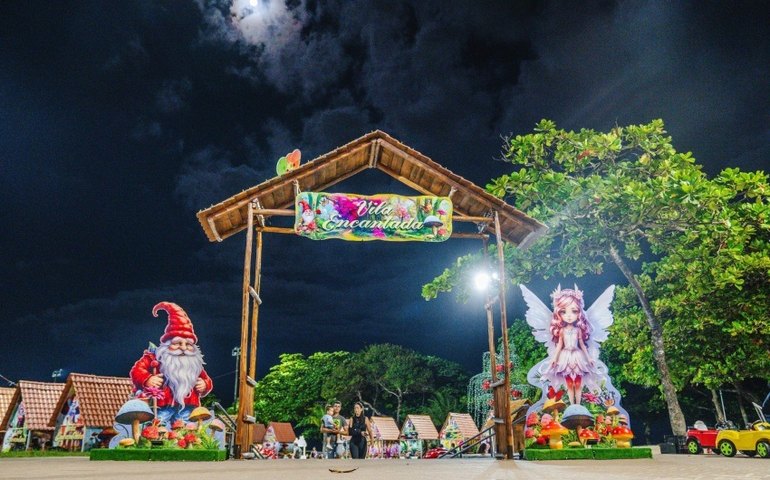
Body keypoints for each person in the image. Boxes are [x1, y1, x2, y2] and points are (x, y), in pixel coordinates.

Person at [129, 302, 213, 425]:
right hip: (162, 405)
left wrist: (205, 384)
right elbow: (137, 370)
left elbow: (206, 380)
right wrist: (147, 379)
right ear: (167, 344)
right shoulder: (154, 358)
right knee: (159, 425)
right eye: (178, 343)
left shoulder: (193, 365)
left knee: (186, 428)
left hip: (187, 406)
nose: (183, 348)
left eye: (188, 344)